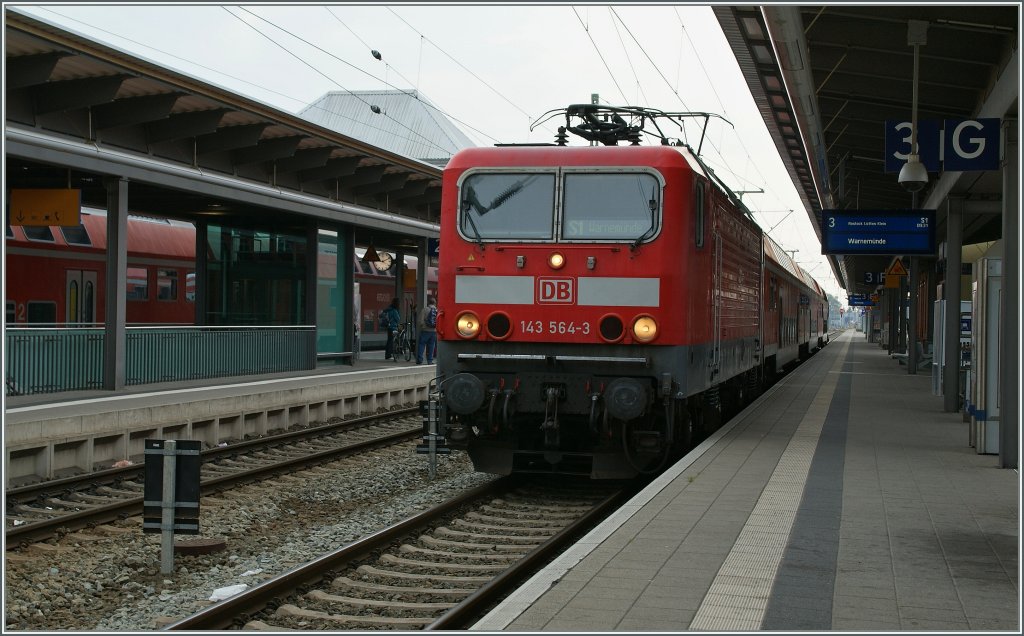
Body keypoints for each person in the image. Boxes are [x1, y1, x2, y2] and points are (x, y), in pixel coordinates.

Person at [416, 296, 438, 365]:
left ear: (428, 302)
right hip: (434, 331)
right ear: (435, 303)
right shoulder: (437, 310)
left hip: (425, 330)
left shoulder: (425, 310)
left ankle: (420, 360)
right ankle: (430, 360)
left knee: (422, 344)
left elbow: (420, 321)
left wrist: (423, 326)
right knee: (431, 346)